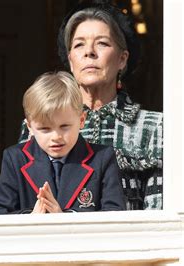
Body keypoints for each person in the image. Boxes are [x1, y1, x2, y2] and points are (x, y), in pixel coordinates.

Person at [18, 1, 163, 210]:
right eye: (79, 45)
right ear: (70, 61)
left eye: (102, 43)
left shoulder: (154, 127)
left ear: (122, 59)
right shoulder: (41, 122)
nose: (89, 52)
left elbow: (159, 217)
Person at [0, 71, 125, 214]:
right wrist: (30, 218)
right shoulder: (15, 158)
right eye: (45, 129)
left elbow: (114, 214)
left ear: (81, 120)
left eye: (64, 127)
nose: (56, 136)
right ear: (29, 126)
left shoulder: (102, 158)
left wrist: (63, 218)